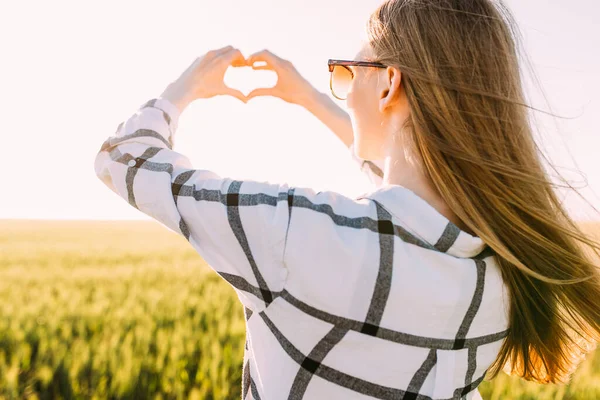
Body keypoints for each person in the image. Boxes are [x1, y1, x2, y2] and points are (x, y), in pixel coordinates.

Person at [94, 0, 600, 399]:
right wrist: (310, 96)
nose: (341, 87)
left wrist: (182, 91)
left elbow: (123, 159)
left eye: (346, 73)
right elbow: (403, 193)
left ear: (389, 85)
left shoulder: (292, 233)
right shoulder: (504, 272)